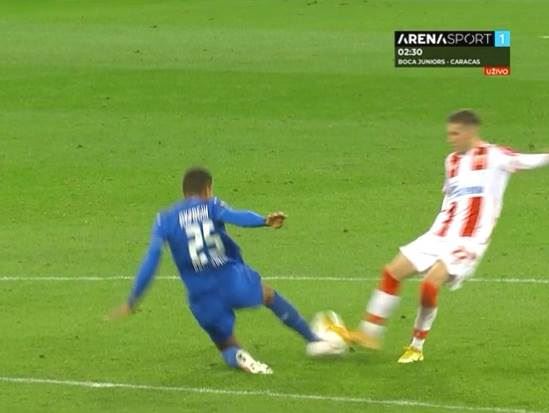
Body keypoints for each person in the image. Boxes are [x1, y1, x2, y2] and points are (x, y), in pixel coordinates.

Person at [330, 109, 549, 363]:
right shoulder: (451, 162)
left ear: (470, 131)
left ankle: (416, 347)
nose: (450, 139)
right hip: (439, 234)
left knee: (429, 285)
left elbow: (534, 160)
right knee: (392, 273)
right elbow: (450, 198)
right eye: (449, 134)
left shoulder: (495, 156)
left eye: (455, 134)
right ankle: (369, 334)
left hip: (468, 241)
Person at [109, 167, 344, 374]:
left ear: (184, 191)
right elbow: (236, 216)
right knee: (268, 295)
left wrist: (132, 300)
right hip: (230, 279)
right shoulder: (211, 205)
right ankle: (314, 340)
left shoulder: (164, 219)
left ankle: (239, 356)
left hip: (200, 294)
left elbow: (152, 258)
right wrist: (264, 220)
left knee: (225, 343)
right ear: (208, 188)